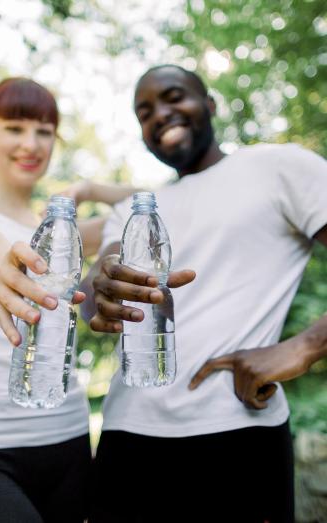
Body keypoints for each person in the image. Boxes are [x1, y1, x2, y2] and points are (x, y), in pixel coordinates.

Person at [76, 65, 327, 523]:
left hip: (237, 434)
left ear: (209, 105)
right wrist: (104, 287)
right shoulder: (137, 209)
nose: (161, 115)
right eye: (145, 112)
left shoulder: (279, 166)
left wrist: (306, 346)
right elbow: (95, 296)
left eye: (175, 97)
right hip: (127, 437)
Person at [0, 77, 138, 523]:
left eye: (44, 131)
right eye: (15, 128)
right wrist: (4, 268)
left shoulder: (66, 233)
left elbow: (150, 202)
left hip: (64, 440)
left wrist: (87, 190)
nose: (31, 144)